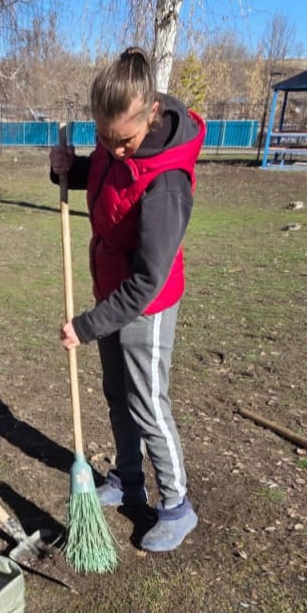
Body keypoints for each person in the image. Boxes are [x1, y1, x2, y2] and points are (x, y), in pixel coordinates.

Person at [50, 47, 205, 553]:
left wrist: (89, 324)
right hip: (109, 286)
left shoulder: (167, 183)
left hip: (146, 302)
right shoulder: (113, 147)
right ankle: (127, 479)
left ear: (151, 116)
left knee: (147, 403)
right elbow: (103, 176)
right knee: (117, 394)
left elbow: (148, 281)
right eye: (103, 138)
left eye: (124, 141)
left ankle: (178, 507)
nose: (113, 150)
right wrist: (68, 169)